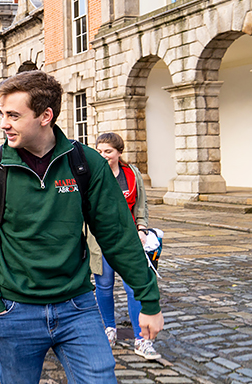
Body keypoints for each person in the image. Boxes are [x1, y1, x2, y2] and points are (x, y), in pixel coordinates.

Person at [0, 70, 163, 383]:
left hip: (78, 307)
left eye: (14, 115)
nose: (3, 124)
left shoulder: (85, 163)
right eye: (2, 114)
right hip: (15, 311)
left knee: (100, 378)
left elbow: (119, 236)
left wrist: (149, 299)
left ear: (46, 116)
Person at [91, 132, 160, 360]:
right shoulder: (93, 175)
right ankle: (109, 328)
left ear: (119, 152)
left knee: (134, 288)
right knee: (104, 285)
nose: (103, 156)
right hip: (100, 242)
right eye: (99, 151)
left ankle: (142, 339)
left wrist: (141, 229)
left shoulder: (132, 174)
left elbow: (141, 206)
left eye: (108, 151)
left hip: (128, 242)